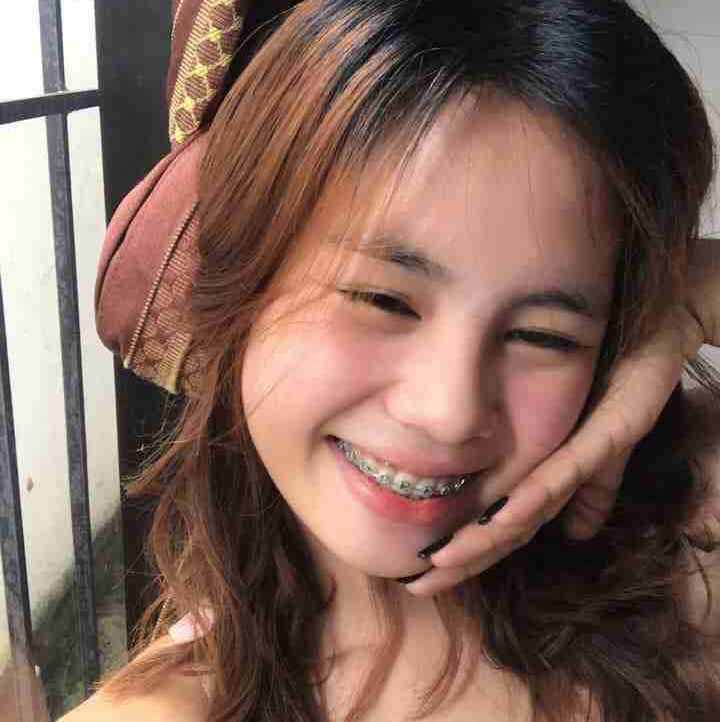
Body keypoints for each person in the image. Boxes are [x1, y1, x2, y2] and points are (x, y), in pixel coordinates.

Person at [56, 0, 720, 720]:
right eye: (383, 300)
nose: (448, 412)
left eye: (544, 336)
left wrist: (689, 303)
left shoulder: (686, 559)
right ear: (241, 281)